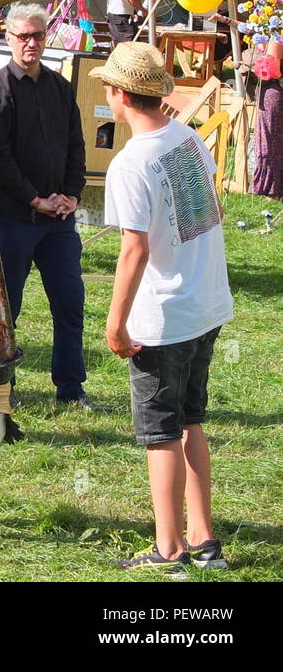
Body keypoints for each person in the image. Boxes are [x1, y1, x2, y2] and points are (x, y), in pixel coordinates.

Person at [94, 42, 233, 573]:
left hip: (163, 318)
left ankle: (170, 549)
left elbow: (134, 249)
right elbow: (210, 211)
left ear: (119, 95)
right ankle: (203, 538)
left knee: (160, 435)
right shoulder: (189, 140)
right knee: (190, 422)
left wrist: (116, 319)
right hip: (205, 304)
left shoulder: (132, 162)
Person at [0, 2, 93, 409]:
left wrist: (72, 194)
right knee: (9, 309)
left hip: (59, 219)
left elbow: (76, 146)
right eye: (23, 36)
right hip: (14, 218)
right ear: (8, 39)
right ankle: (0, 389)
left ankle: (71, 389)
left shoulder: (60, 87)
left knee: (69, 303)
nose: (31, 43)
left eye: (38, 35)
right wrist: (34, 199)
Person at [252, 37, 283, 197]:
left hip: (273, 90)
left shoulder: (277, 35)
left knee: (269, 139)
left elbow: (272, 70)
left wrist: (256, 66)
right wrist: (226, 20)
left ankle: (270, 187)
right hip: (273, 90)